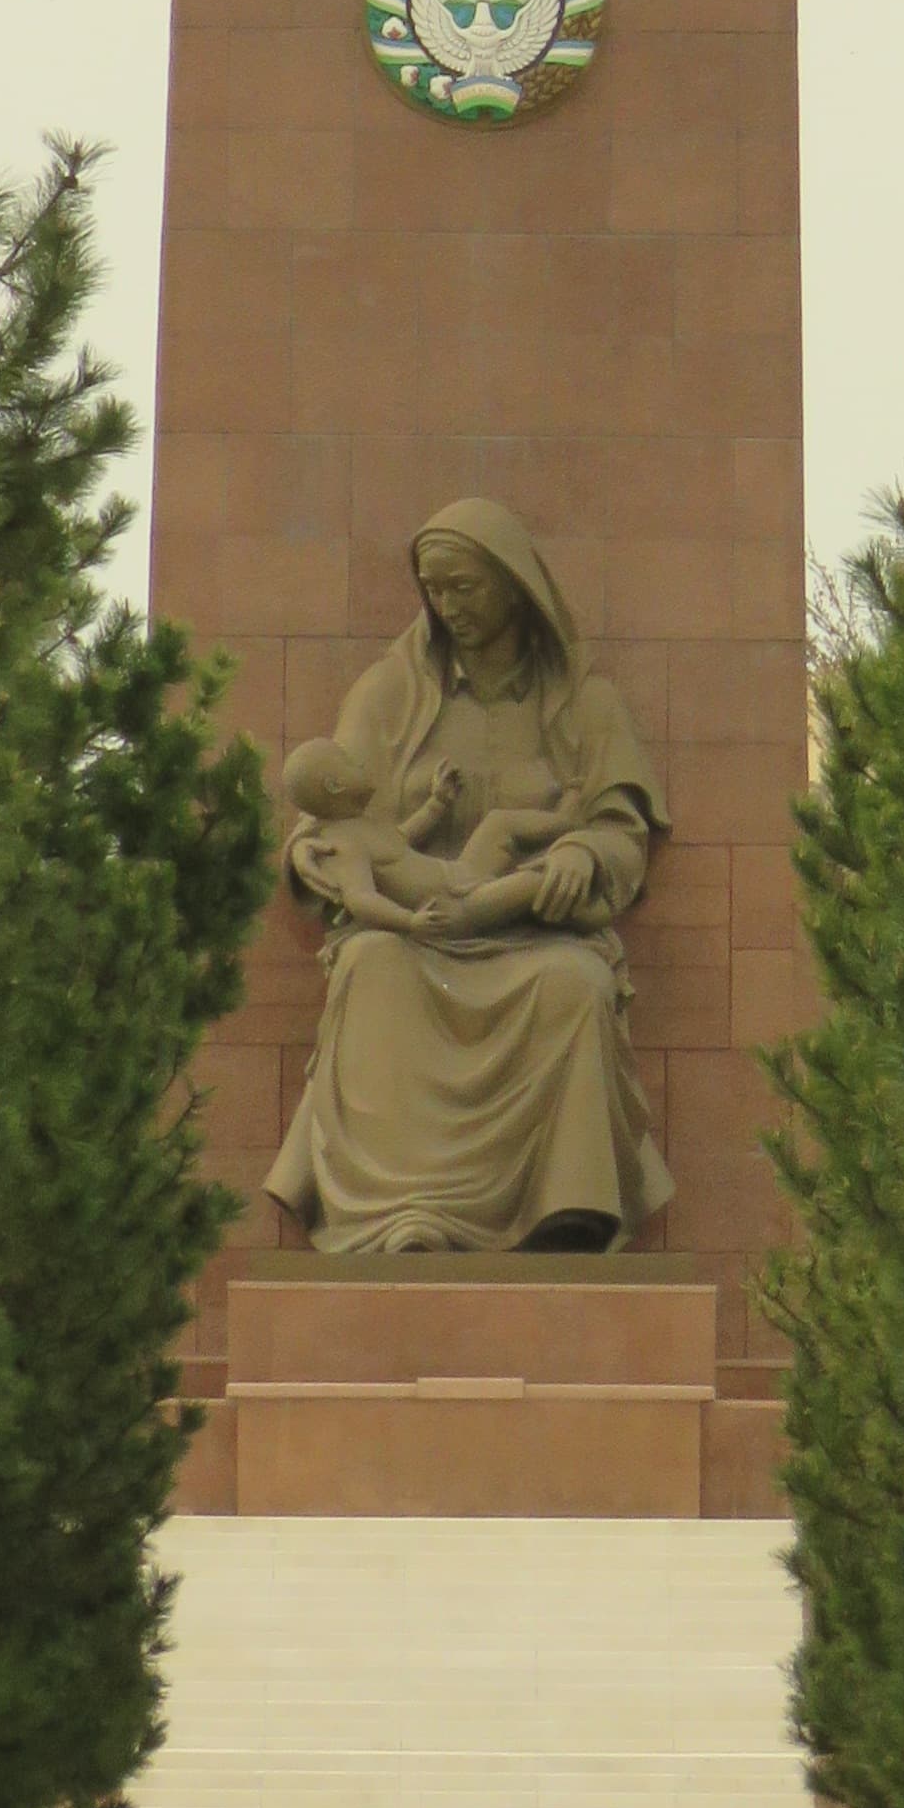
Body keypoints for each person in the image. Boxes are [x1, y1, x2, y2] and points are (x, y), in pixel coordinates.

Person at [264, 500, 675, 1255]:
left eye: (466, 587)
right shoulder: (391, 692)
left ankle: (567, 1208)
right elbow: (326, 817)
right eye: (435, 589)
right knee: (369, 965)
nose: (448, 606)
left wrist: (582, 856)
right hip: (420, 930)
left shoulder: (584, 703)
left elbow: (622, 834)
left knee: (573, 988)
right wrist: (313, 858)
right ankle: (400, 1214)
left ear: (516, 587)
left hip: (532, 934)